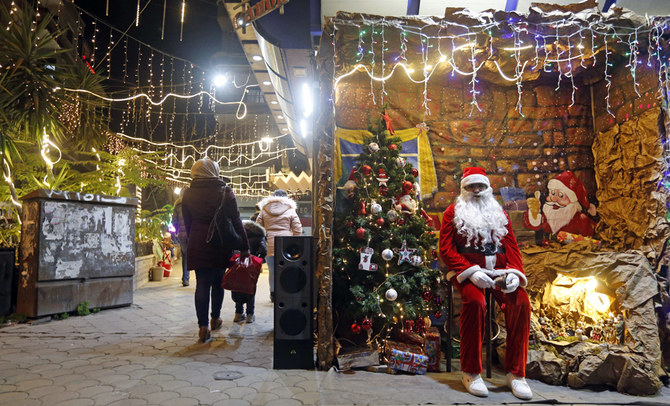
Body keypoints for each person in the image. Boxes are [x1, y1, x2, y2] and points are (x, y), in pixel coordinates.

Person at [439, 167, 532, 400]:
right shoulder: (453, 212)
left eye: (480, 186)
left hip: (500, 271)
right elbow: (446, 249)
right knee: (475, 302)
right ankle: (471, 372)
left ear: (487, 188)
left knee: (520, 302)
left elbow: (511, 245)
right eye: (471, 186)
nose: (476, 191)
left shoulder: (498, 212)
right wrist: (469, 272)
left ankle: (516, 374)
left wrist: (514, 273)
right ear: (464, 189)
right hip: (470, 271)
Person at [182, 158, 249, 343]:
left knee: (202, 283)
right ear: (214, 170)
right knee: (218, 281)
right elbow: (236, 221)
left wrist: (194, 239)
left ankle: (202, 326)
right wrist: (245, 246)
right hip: (220, 243)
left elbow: (187, 223)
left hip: (197, 241)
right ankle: (215, 318)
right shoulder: (225, 191)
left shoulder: (187, 193)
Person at [255, 189, 302, 302]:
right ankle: (285, 291)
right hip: (285, 245)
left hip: (270, 244)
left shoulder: (264, 210)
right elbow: (297, 229)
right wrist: (295, 244)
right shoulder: (290, 210)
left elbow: (257, 228)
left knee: (272, 271)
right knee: (286, 270)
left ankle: (273, 293)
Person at [523, 170, 597, 237]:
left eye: (561, 195)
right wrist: (533, 213)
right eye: (553, 193)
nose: (554, 199)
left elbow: (589, 238)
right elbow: (534, 225)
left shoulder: (580, 218)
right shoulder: (548, 214)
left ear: (572, 199)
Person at [232, 220, 267, 323]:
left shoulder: (237, 232)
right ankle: (249, 315)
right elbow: (263, 250)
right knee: (250, 287)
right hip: (252, 266)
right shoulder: (259, 234)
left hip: (238, 264)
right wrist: (257, 259)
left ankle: (238, 314)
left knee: (238, 286)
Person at [172, 197, 190, 287]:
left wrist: (177, 230)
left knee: (185, 256)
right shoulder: (191, 205)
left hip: (182, 235)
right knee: (194, 255)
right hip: (192, 234)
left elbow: (174, 221)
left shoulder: (177, 207)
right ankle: (200, 279)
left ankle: (185, 278)